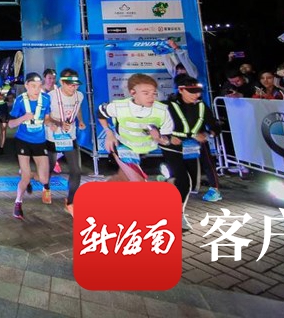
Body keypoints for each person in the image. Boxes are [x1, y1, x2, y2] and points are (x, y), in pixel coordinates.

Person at [97, 73, 191, 230]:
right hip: (126, 148)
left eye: (153, 93)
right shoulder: (118, 106)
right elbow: (100, 113)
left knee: (123, 179)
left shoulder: (161, 110)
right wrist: (109, 133)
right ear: (133, 93)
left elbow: (166, 138)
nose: (151, 97)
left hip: (149, 150)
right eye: (145, 93)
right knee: (139, 184)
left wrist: (160, 137)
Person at [167, 75, 223, 202]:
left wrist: (207, 135)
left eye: (198, 92)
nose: (196, 95)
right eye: (191, 92)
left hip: (198, 141)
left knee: (207, 162)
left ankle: (215, 189)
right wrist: (169, 137)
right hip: (177, 142)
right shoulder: (169, 105)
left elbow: (215, 126)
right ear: (181, 90)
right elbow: (157, 124)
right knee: (176, 165)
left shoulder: (201, 106)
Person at [8, 72, 53, 220]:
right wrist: (24, 117)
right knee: (25, 178)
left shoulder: (46, 99)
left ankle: (40, 182)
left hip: (40, 141)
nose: (36, 89)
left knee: (44, 179)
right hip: (23, 141)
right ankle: (18, 203)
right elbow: (11, 124)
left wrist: (53, 124)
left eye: (39, 86)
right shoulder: (20, 100)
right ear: (26, 86)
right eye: (33, 86)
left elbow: (47, 118)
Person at [44, 68, 86, 216]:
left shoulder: (79, 95)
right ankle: (46, 187)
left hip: (69, 136)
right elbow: (45, 118)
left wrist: (80, 120)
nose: (74, 88)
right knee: (49, 167)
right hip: (53, 136)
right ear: (62, 82)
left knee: (76, 170)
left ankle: (70, 201)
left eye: (76, 85)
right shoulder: (50, 96)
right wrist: (57, 123)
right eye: (70, 85)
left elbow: (77, 109)